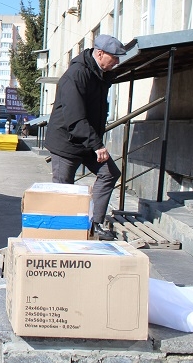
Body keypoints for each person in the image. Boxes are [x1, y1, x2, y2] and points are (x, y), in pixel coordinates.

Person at [44, 34, 126, 240]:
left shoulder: (101, 74)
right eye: (114, 57)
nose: (117, 62)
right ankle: (63, 234)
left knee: (109, 173)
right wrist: (97, 145)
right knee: (64, 189)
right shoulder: (76, 74)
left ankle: (93, 224)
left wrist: (94, 142)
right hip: (66, 142)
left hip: (87, 140)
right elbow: (75, 118)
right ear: (100, 53)